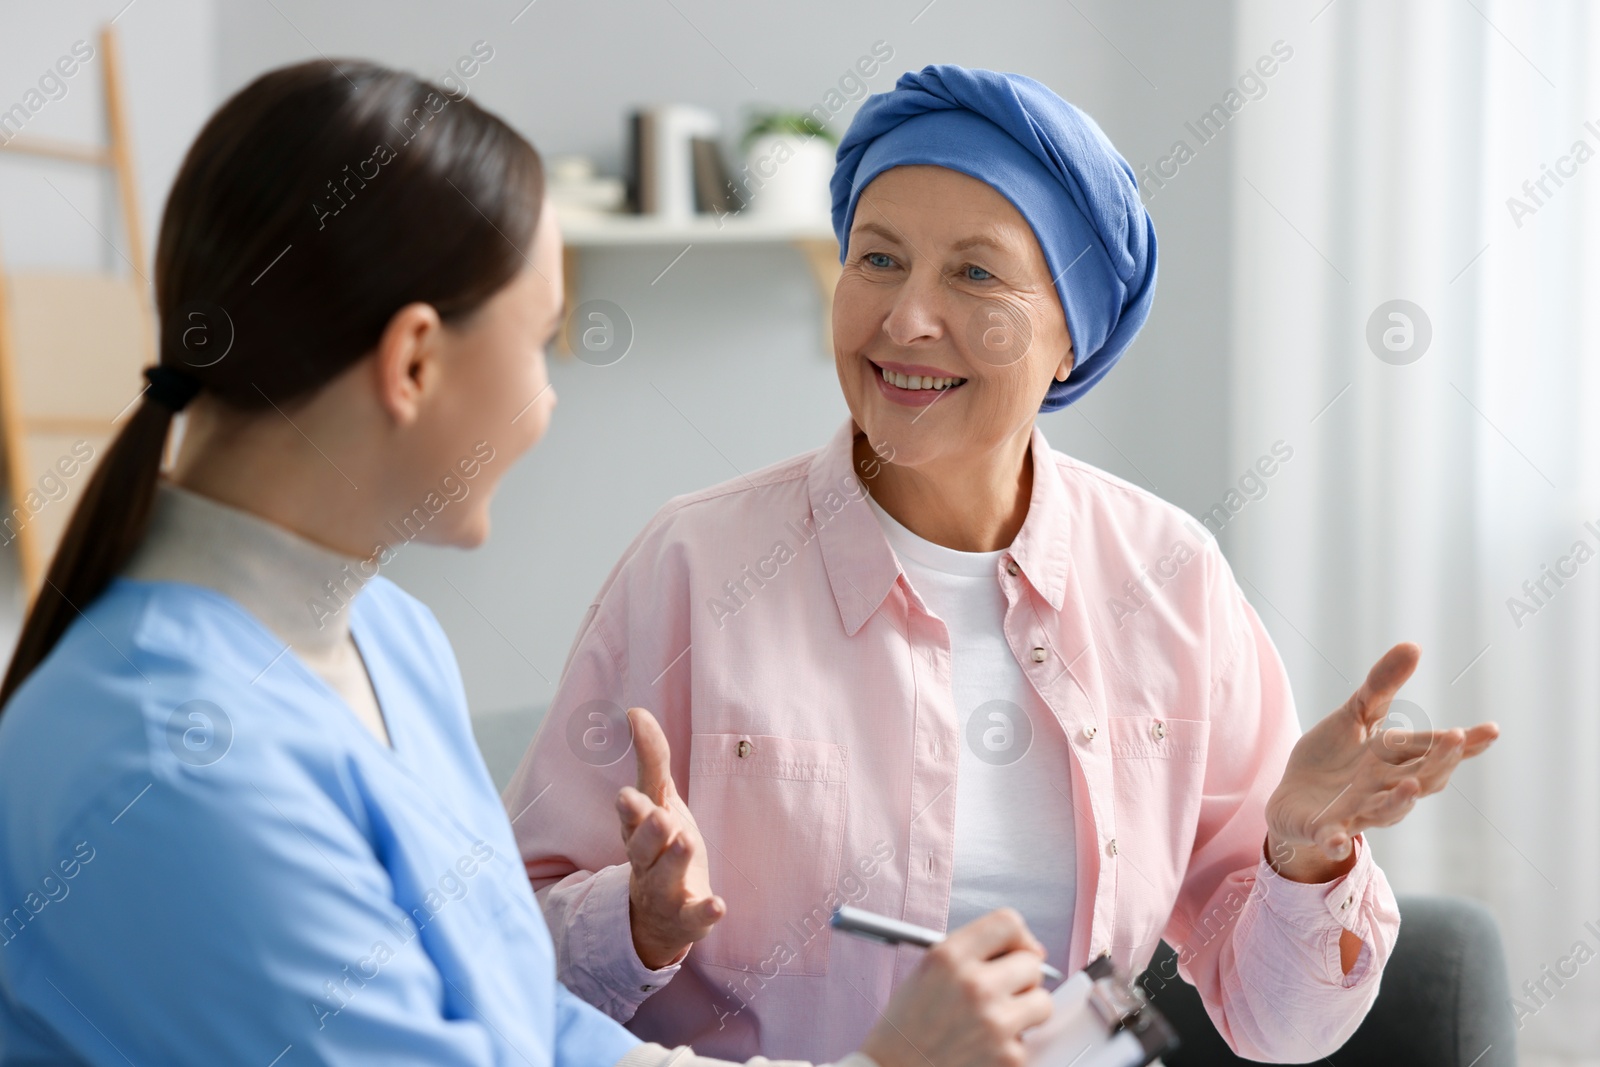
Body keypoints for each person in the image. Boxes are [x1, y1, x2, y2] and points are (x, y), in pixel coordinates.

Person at [0, 60, 1053, 1067]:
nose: (546, 403)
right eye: (542, 341)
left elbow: (527, 1031)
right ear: (415, 360)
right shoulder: (171, 764)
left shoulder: (388, 639)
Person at [505, 64, 1501, 1064]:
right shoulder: (692, 563)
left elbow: (1280, 1026)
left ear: (1072, 333)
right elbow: (500, 963)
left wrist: (1302, 850)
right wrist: (636, 923)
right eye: (877, 259)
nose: (903, 320)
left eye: (974, 274)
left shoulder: (1170, 578)